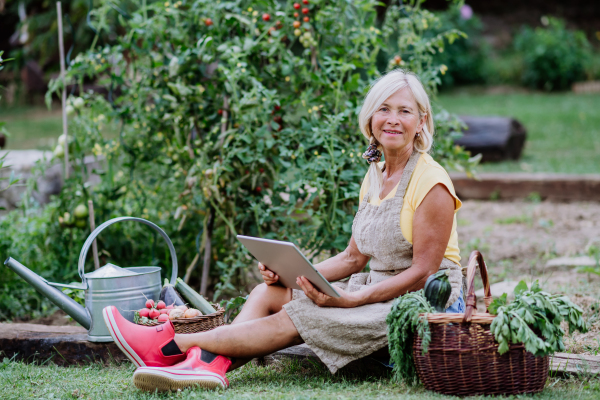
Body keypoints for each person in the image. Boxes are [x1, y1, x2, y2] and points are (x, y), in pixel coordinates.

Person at [102, 69, 465, 392]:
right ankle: (204, 366)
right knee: (270, 291)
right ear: (370, 118)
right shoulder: (375, 175)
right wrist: (295, 275)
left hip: (422, 304)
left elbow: (424, 273)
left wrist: (352, 300)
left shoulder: (431, 183)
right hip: (378, 289)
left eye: (404, 111)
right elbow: (354, 258)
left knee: (305, 312)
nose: (392, 119)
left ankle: (169, 346)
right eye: (384, 109)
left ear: (422, 121)